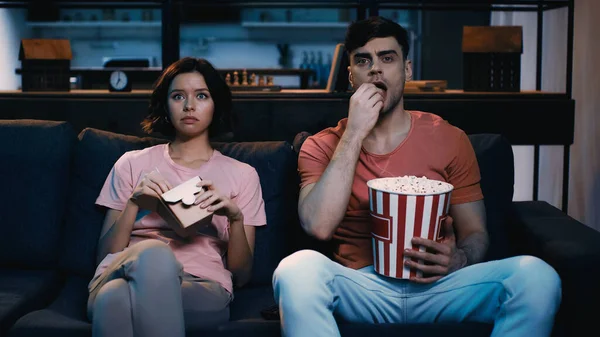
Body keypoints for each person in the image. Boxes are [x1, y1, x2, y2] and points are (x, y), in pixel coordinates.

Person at [273, 16, 561, 337]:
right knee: (295, 269)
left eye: (387, 58)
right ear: (351, 75)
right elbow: (318, 225)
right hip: (364, 287)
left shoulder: (449, 137)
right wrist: (354, 132)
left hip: (439, 287)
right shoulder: (320, 145)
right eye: (363, 60)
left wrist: (460, 258)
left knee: (537, 276)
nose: (376, 69)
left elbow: (476, 232)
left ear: (407, 70)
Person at [88, 57, 266, 337]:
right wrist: (135, 204)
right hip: (124, 270)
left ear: (215, 104)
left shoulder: (243, 174)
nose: (189, 106)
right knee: (153, 255)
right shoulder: (131, 163)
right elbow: (105, 256)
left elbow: (241, 275)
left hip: (201, 285)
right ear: (166, 106)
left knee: (114, 299)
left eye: (202, 96)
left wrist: (235, 217)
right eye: (178, 96)